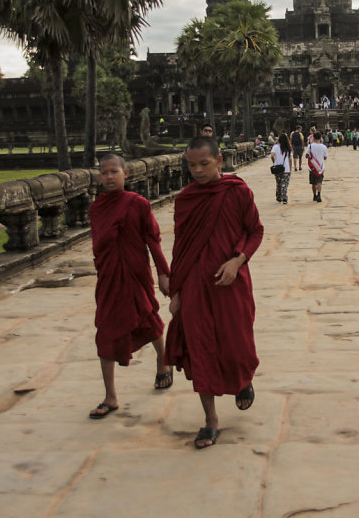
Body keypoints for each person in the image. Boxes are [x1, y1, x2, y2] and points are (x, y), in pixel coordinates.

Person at [166, 136, 264, 448]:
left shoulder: (237, 192)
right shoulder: (185, 200)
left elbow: (255, 231)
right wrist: (176, 291)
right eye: (191, 165)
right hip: (195, 284)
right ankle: (210, 421)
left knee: (238, 348)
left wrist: (237, 261)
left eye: (203, 164)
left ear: (219, 161)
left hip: (231, 284)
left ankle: (243, 379)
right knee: (200, 352)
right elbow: (181, 247)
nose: (196, 170)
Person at [88, 154, 172, 419]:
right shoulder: (97, 208)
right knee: (105, 329)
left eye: (114, 171)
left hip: (135, 274)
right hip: (109, 278)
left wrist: (163, 273)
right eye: (104, 172)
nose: (109, 177)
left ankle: (163, 359)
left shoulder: (138, 204)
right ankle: (110, 396)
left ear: (126, 173)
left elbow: (153, 241)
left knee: (148, 318)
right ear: (99, 176)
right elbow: (99, 241)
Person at [271, 132, 293, 204]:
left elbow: (272, 155)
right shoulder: (288, 148)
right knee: (285, 184)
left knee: (278, 183)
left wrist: (274, 162)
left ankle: (279, 197)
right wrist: (290, 169)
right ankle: (284, 197)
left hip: (277, 168)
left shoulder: (275, 147)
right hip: (285, 168)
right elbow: (290, 159)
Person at [305, 133, 328, 203]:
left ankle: (314, 195)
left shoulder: (310, 146)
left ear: (313, 138)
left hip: (312, 167)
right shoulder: (324, 147)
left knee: (313, 183)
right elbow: (325, 157)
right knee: (319, 182)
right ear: (320, 137)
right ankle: (319, 194)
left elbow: (306, 155)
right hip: (320, 167)